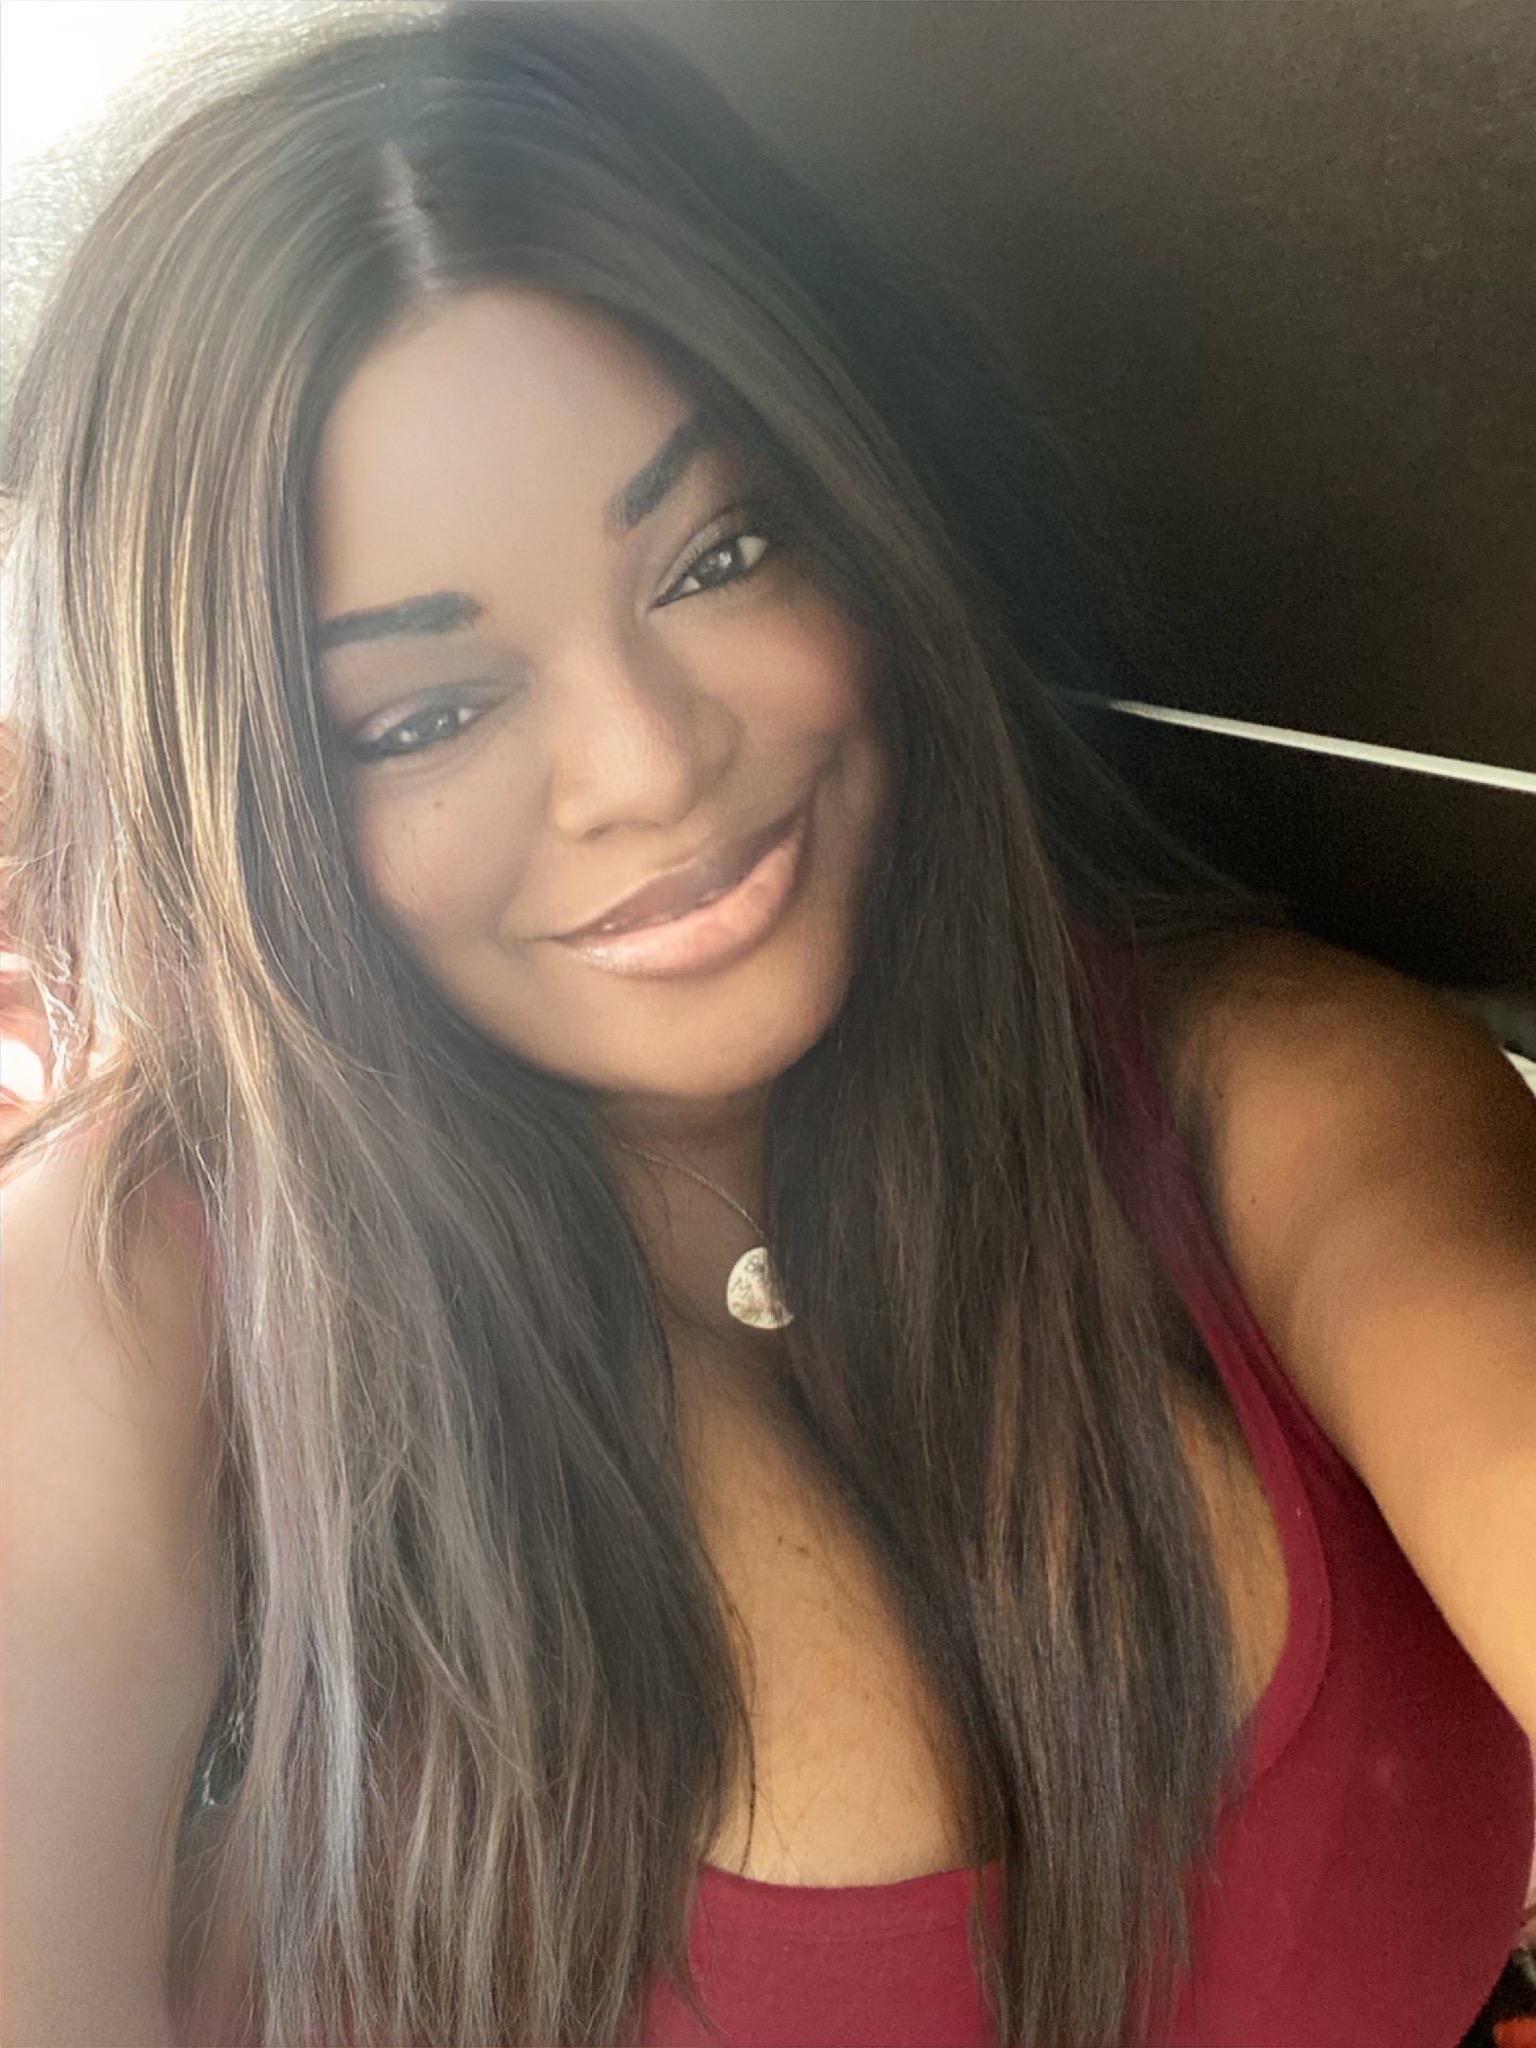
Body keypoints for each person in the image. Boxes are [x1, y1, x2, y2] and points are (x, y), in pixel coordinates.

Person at [2, 7, 1532, 2045]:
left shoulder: (1270, 1094)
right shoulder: (140, 1303)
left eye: (718, 553)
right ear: (248, 792)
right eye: (426, 713)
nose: (648, 765)